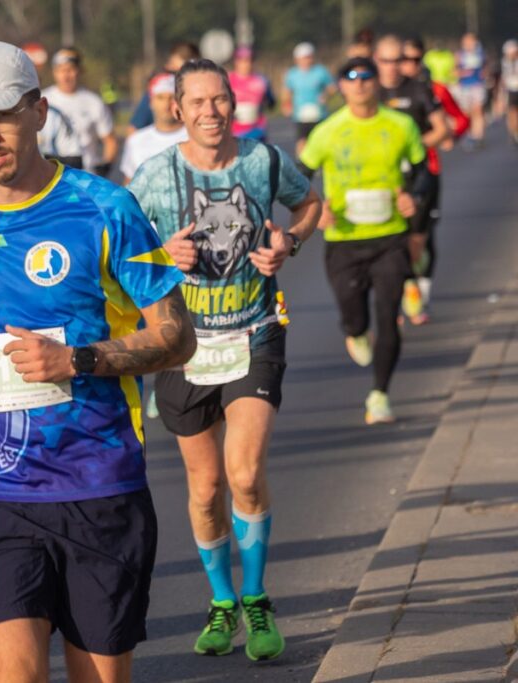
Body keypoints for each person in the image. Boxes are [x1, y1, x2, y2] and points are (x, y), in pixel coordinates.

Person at [0, 41, 197, 683]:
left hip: (96, 479)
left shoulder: (108, 208)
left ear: (39, 111)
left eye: (0, 113)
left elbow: (178, 335)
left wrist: (77, 359)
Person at [129, 59, 321, 662]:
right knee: (207, 486)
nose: (211, 112)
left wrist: (290, 241)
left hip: (255, 332)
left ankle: (257, 595)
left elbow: (310, 204)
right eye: (199, 102)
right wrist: (163, 254)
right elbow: (120, 254)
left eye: (221, 100)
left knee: (243, 471)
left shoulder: (262, 161)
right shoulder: (154, 176)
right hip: (183, 343)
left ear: (233, 105)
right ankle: (221, 602)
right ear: (177, 109)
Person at [299, 57, 431, 424]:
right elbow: (299, 177)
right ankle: (355, 331)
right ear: (341, 86)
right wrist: (316, 207)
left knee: (389, 315)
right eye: (351, 78)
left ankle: (380, 394)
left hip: (389, 237)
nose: (359, 84)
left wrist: (413, 197)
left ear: (376, 83)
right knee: (354, 316)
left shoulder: (400, 125)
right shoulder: (327, 131)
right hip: (344, 239)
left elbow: (424, 174)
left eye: (366, 77)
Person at [376, 35, 450, 326]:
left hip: (420, 175)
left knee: (417, 239)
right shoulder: (371, 93)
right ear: (377, 61)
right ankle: (400, 293)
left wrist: (414, 146)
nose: (395, 67)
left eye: (400, 60)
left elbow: (443, 129)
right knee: (390, 239)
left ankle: (411, 281)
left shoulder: (419, 89)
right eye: (388, 61)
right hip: (384, 180)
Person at [43, 47, 118, 175]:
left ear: (80, 71)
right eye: (61, 70)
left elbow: (110, 140)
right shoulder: (42, 100)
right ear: (54, 72)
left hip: (85, 176)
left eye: (70, 70)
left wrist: (105, 165)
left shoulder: (94, 102)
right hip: (49, 177)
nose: (66, 76)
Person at [119, 72, 188, 185]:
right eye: (160, 98)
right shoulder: (136, 141)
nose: (166, 104)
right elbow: (129, 184)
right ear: (151, 102)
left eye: (172, 98)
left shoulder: (194, 137)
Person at [128, 41, 201, 132]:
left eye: (175, 70)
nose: (168, 68)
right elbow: (134, 129)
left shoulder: (201, 95)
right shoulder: (159, 90)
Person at [282, 42, 337, 156]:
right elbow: (287, 91)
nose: (306, 60)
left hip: (319, 113)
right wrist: (286, 104)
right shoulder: (292, 74)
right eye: (303, 58)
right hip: (300, 114)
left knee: (320, 140)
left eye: (309, 57)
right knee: (302, 141)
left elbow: (332, 88)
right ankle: (301, 165)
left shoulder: (321, 71)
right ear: (297, 59)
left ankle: (320, 165)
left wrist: (326, 96)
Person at [229, 46, 276, 142]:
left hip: (257, 130)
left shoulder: (261, 80)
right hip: (234, 131)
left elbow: (271, 102)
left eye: (249, 60)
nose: (246, 64)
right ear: (236, 62)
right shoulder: (228, 80)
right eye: (242, 60)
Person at [454, 32, 486, 148]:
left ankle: (478, 136)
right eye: (467, 41)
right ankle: (469, 134)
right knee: (467, 112)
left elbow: (485, 68)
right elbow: (454, 71)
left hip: (477, 85)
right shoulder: (459, 55)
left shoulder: (480, 53)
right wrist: (462, 73)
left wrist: (484, 74)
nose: (469, 44)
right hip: (465, 86)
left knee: (477, 110)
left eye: (471, 41)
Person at [500, 40, 518, 144]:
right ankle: (513, 133)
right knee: (512, 112)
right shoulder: (505, 62)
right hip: (511, 89)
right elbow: (504, 78)